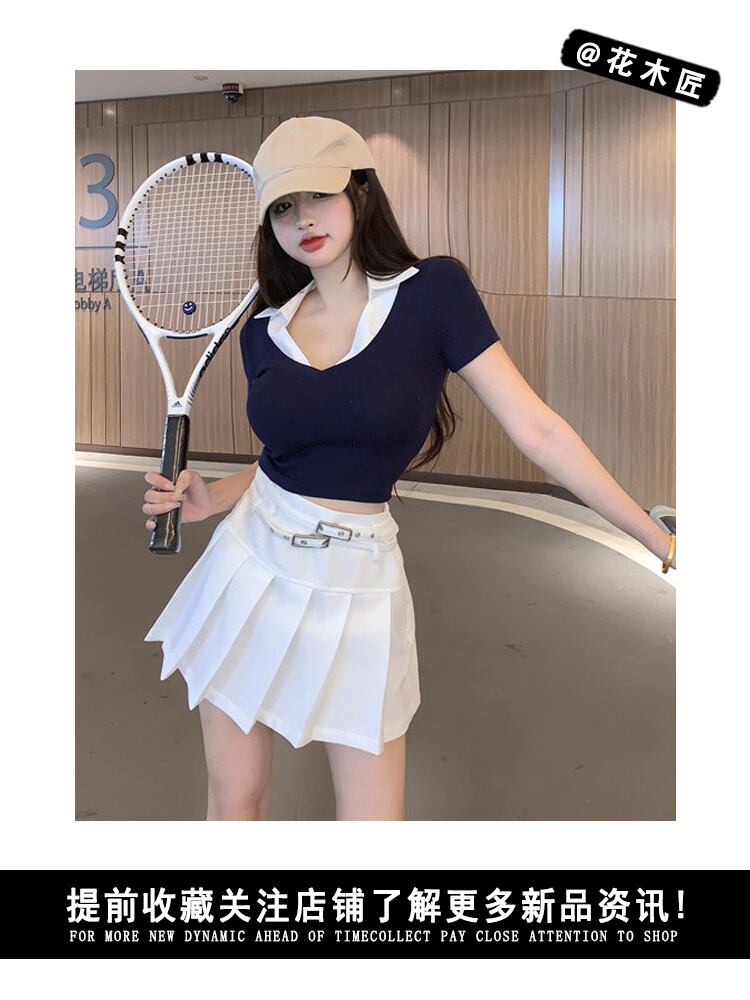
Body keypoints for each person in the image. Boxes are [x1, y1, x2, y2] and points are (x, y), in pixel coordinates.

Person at [141, 116, 676, 822]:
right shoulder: (262, 333)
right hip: (248, 565)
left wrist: (662, 541)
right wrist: (211, 497)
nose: (303, 219)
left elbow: (541, 432)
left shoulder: (433, 294)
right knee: (235, 801)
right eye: (283, 206)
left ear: (360, 193)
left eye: (320, 194)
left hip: (360, 581)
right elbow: (286, 462)